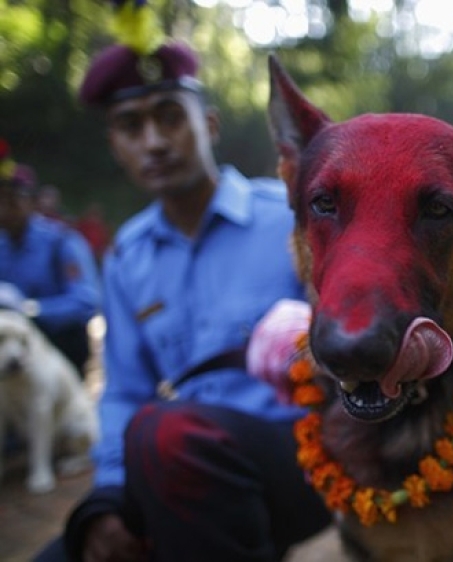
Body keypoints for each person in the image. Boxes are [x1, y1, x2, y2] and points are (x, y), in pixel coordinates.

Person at [33, 7, 330, 562]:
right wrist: (110, 495)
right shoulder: (128, 258)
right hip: (175, 467)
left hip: (300, 457)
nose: (154, 142)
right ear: (115, 146)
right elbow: (125, 390)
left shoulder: (292, 219)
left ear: (209, 125)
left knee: (169, 435)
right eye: (131, 127)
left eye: (170, 117)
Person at [0, 142, 101, 377]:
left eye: (11, 201)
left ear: (31, 202)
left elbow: (86, 301)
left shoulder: (60, 242)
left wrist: (31, 309)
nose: (3, 210)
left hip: (59, 355)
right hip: (10, 358)